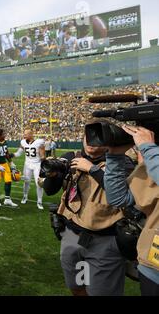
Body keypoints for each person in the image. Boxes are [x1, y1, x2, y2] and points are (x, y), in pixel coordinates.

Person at [42, 131, 134, 296]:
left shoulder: (121, 162)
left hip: (105, 240)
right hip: (71, 236)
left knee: (102, 293)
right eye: (88, 137)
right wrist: (54, 173)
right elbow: (49, 190)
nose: (92, 143)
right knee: (76, 287)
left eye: (98, 138)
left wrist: (92, 170)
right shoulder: (71, 157)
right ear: (82, 138)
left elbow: (123, 197)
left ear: (109, 142)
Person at [104, 124, 159, 296]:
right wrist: (114, 156)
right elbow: (119, 198)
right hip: (153, 267)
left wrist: (149, 148)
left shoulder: (153, 156)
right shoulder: (154, 161)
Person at [14, 129, 46, 210]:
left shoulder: (39, 142)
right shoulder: (23, 142)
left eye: (26, 134)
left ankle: (39, 201)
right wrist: (10, 155)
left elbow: (42, 156)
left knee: (38, 183)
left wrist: (43, 158)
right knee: (26, 181)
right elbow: (18, 153)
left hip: (37, 164)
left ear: (31, 134)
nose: (24, 135)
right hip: (27, 164)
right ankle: (25, 196)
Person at [0, 129, 18, 208]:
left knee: (8, 181)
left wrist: (11, 162)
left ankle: (7, 199)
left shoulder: (4, 141)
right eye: (3, 133)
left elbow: (6, 153)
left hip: (5, 164)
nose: (5, 135)